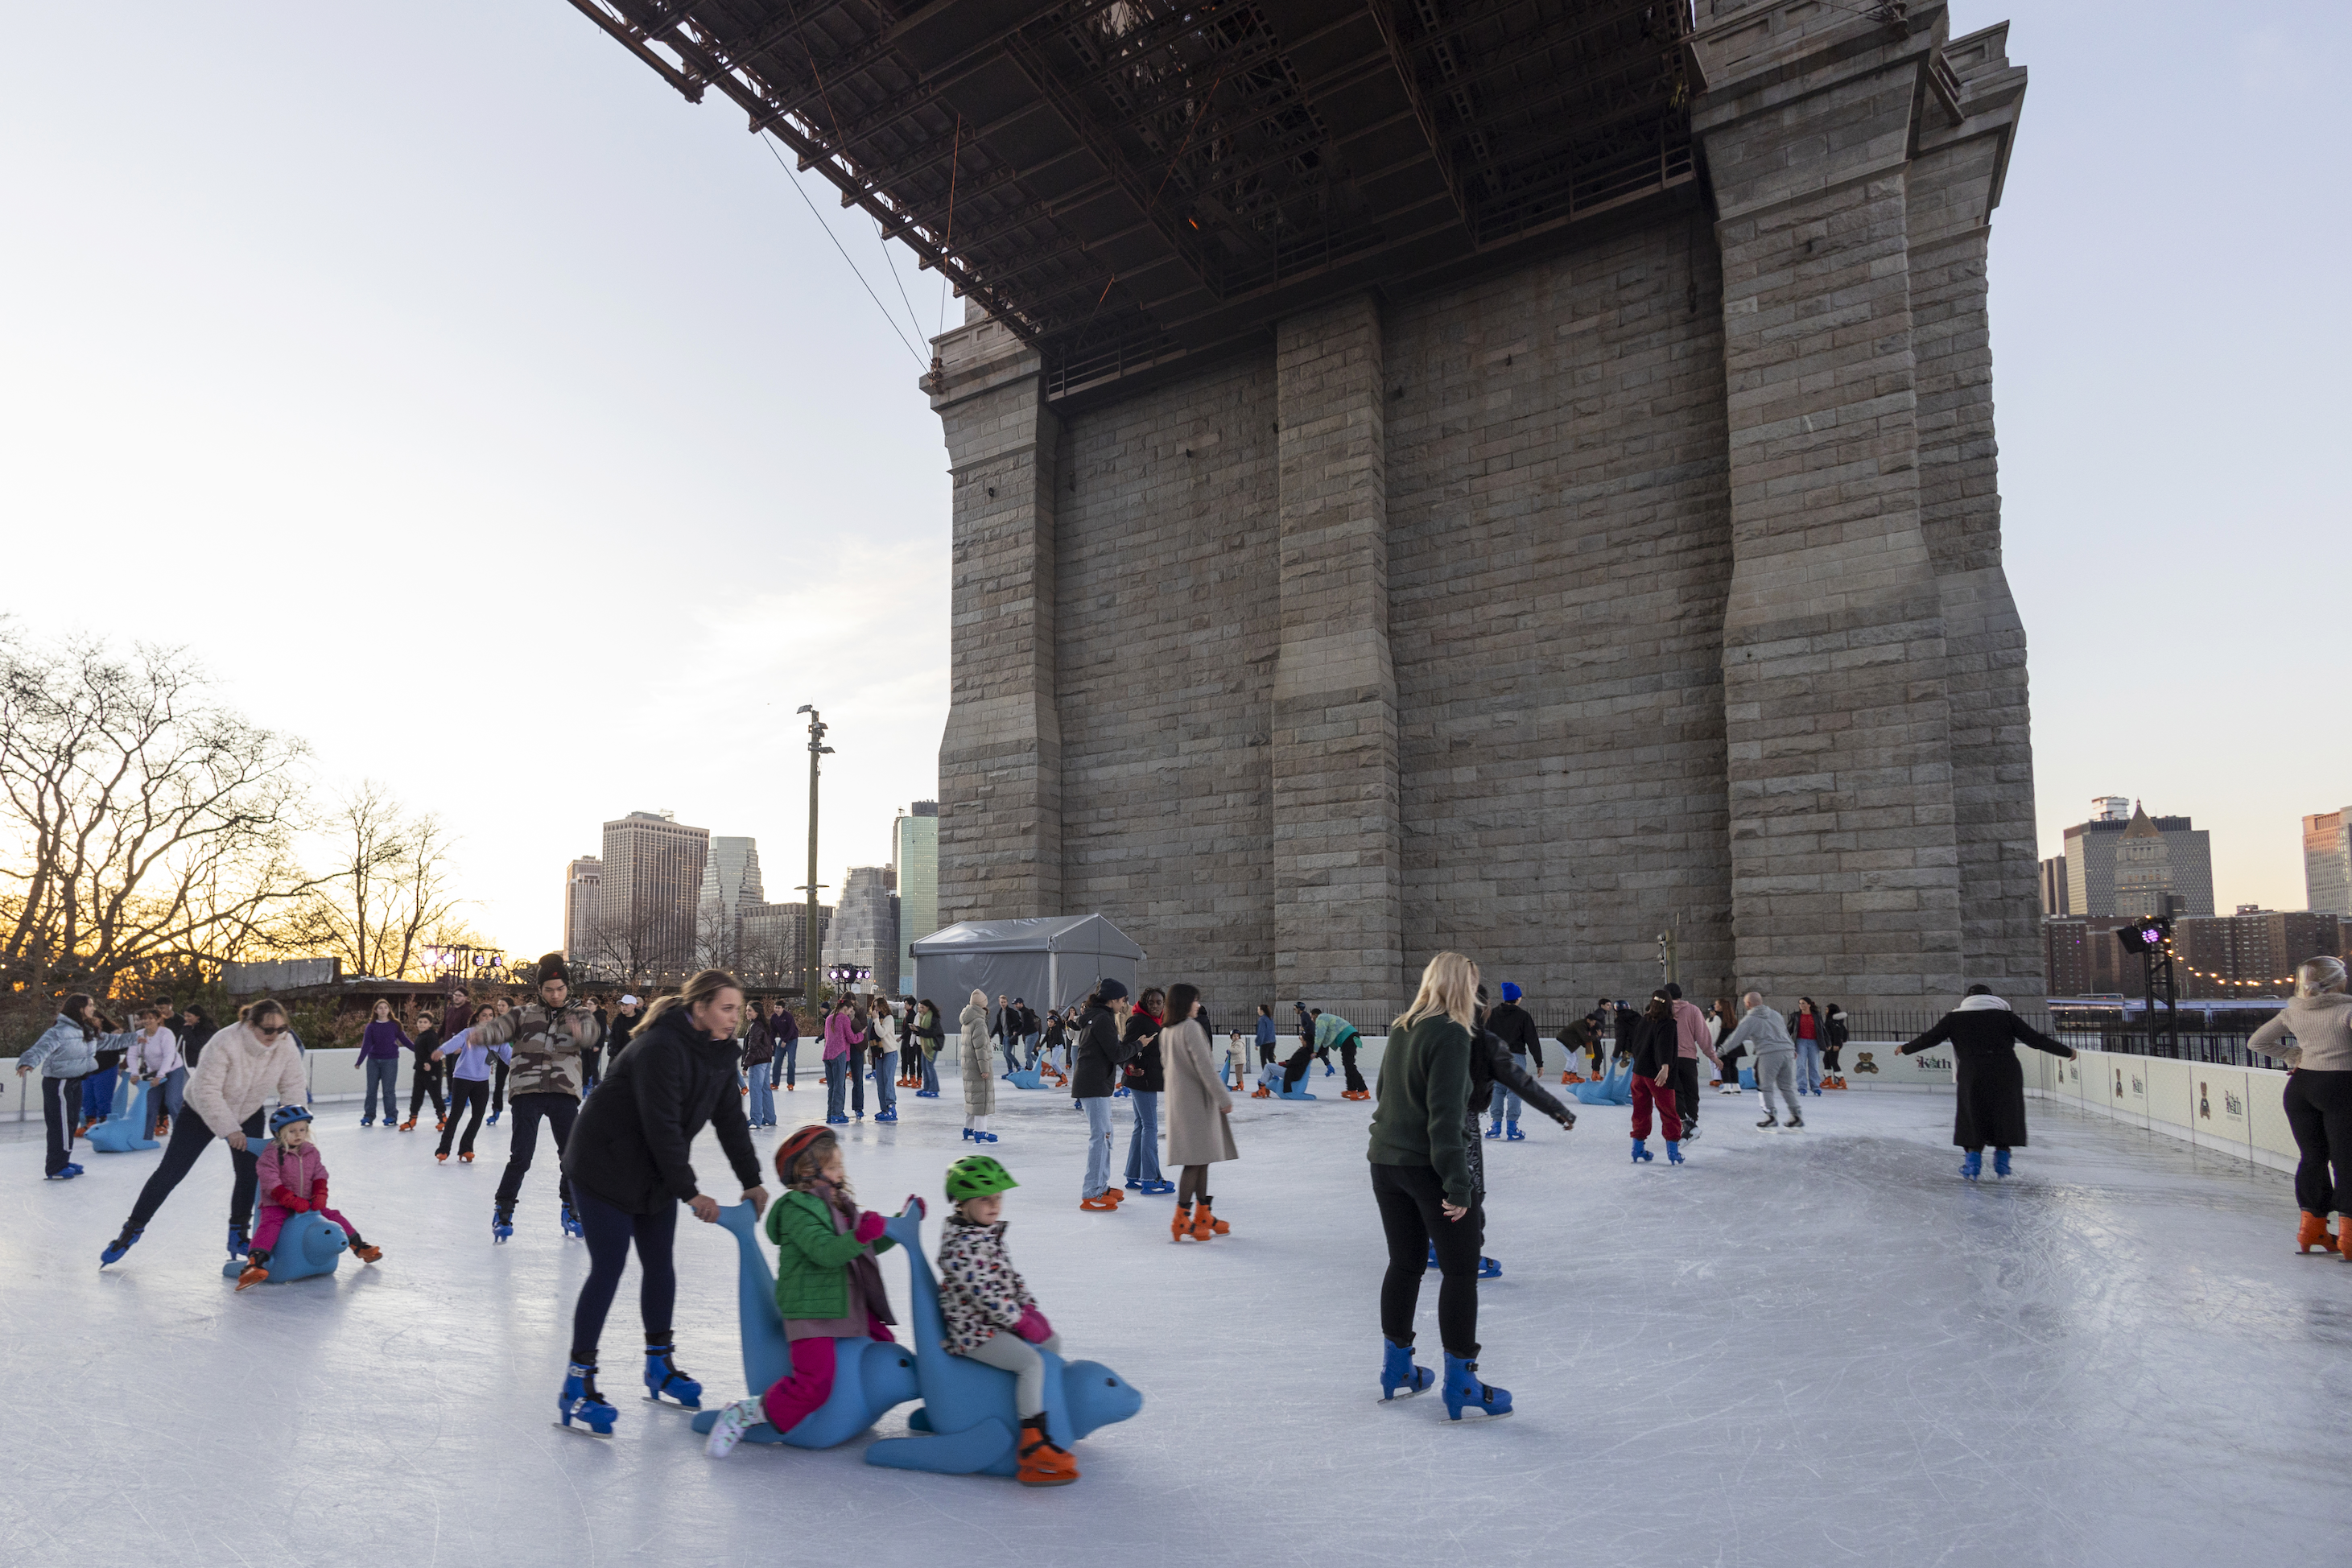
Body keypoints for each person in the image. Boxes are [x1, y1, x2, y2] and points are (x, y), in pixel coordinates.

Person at [558, 967, 770, 1437]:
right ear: (699, 1008)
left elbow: (730, 1120)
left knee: (660, 1265)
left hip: (650, 1171)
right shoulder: (660, 1048)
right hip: (602, 1164)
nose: (735, 1017)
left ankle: (660, 1366)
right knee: (608, 1268)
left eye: (738, 1008)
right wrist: (691, 1192)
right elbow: (662, 1127)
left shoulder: (719, 1052)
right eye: (727, 1008)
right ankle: (577, 1384)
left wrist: (751, 1179)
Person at [703, 1124, 918, 1458]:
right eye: (833, 1167)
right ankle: (745, 1413)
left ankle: (858, 1409)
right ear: (808, 1173)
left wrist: (897, 1224)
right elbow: (826, 1252)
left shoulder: (839, 1202)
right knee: (813, 1384)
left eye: (839, 1164)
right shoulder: (795, 1210)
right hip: (811, 1312)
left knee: (883, 1343)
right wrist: (861, 1235)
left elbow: (863, 1248)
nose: (841, 1172)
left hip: (843, 1303)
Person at [1367, 951, 1510, 1420]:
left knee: (1405, 1264)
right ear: (1462, 986)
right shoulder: (1451, 1033)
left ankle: (1397, 1369)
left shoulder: (1401, 1026)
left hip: (1386, 1163)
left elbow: (1384, 1092)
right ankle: (1463, 1383)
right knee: (1461, 1269)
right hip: (1428, 1168)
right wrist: (1459, 1185)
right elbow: (1447, 1120)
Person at [100, 997, 307, 1268]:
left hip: (249, 1111)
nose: (275, 1035)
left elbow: (293, 1084)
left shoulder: (284, 1043)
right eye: (268, 1029)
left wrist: (295, 1123)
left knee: (250, 1175)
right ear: (249, 1024)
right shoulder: (225, 1042)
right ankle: (132, 1230)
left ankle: (238, 1235)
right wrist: (230, 1130)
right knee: (171, 1172)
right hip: (200, 1111)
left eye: (281, 1029)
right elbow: (205, 1090)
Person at [928, 1154, 1082, 1484]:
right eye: (985, 1199)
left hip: (996, 1322)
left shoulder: (986, 1233)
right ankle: (1032, 1444)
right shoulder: (960, 1248)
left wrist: (1029, 1308)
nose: (995, 1205)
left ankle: (1049, 1416)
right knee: (1031, 1364)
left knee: (1052, 1343)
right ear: (962, 1203)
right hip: (974, 1333)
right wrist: (1019, 1321)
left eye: (998, 1198)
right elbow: (986, 1294)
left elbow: (1010, 1278)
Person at [468, 954, 600, 1243]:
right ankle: (503, 1209)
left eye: (561, 988)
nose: (555, 994)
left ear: (568, 988)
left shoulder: (579, 1015)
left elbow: (592, 1035)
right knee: (521, 1156)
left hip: (563, 1093)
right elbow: (500, 1028)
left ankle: (571, 1207)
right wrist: (483, 1034)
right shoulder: (524, 1014)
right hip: (527, 1091)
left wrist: (584, 1033)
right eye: (549, 989)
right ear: (540, 989)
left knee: (571, 1156)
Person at [1897, 984, 2075, 1180]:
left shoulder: (1954, 1018)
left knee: (1973, 1112)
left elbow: (1930, 1039)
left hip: (1972, 1071)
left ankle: (1972, 1163)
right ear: (1992, 998)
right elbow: (2035, 1039)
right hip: (2006, 1071)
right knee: (2005, 1113)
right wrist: (2066, 1051)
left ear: (1967, 998)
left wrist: (1906, 1049)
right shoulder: (2006, 1016)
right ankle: (2002, 1163)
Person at [2250, 956, 2352, 1256]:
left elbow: (2257, 1043)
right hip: (2341, 1088)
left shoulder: (2293, 1012)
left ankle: (2312, 1229)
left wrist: (2295, 1056)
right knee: (2347, 1161)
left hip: (2301, 1089)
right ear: (2337, 980)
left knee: (2312, 1157)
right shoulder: (2346, 1010)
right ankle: (2349, 1237)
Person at [237, 1104, 384, 1289]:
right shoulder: (272, 1154)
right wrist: (289, 1200)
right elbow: (270, 1181)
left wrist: (320, 1193)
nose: (298, 1134)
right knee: (270, 1224)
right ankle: (254, 1264)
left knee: (333, 1216)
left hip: (308, 1202)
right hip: (277, 1203)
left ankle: (359, 1247)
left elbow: (319, 1173)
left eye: (302, 1129)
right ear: (279, 1132)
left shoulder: (310, 1151)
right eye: (292, 1131)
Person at [19, 996, 133, 1179]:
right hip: (59, 1083)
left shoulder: (84, 1030)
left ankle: (63, 1160)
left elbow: (109, 1041)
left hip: (74, 1080)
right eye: (90, 1005)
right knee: (61, 1125)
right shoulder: (61, 1030)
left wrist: (137, 1038)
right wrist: (27, 1062)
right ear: (80, 1008)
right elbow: (41, 1048)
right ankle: (55, 1167)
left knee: (71, 1123)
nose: (93, 1008)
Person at [1075, 981, 1137, 1211]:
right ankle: (1091, 1193)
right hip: (1094, 1084)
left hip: (1097, 1083)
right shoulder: (1102, 1019)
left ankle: (1101, 1186)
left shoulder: (1099, 1017)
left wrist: (1128, 1066)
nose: (1125, 1004)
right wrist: (1139, 1044)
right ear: (1112, 1000)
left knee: (1106, 1136)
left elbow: (1110, 1052)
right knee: (1100, 1138)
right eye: (1123, 1000)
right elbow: (1116, 1052)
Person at [433, 1005, 505, 1163]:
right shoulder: (468, 1033)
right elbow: (454, 1041)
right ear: (478, 1017)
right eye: (484, 1015)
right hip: (462, 1078)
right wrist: (442, 1050)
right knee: (456, 1115)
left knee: (478, 1116)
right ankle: (443, 1149)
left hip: (482, 1082)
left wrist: (520, 1064)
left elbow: (508, 1054)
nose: (487, 1018)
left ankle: (466, 1148)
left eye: (490, 1015)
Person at [1719, 992, 1802, 1130]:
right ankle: (1796, 1115)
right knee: (1786, 1087)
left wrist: (1720, 1052)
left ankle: (1770, 1116)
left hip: (1769, 1053)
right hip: (1787, 1052)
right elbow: (1785, 1033)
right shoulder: (1775, 1014)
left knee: (1766, 1086)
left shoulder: (1750, 1019)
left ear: (1748, 1004)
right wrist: (1791, 1049)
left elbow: (1735, 1038)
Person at [1121, 988, 1170, 1195]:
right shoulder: (1140, 1020)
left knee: (1141, 1125)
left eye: (1159, 1002)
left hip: (1145, 1079)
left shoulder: (1156, 1021)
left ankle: (1133, 1175)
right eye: (1152, 1002)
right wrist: (1130, 1067)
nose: (1156, 1006)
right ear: (1145, 1003)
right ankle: (1151, 1178)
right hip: (1142, 1079)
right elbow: (1126, 1047)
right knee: (1150, 1126)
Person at [1627, 991, 1685, 1163]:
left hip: (1639, 1074)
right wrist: (1665, 1067)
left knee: (1640, 1110)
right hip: (1657, 1076)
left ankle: (1637, 1148)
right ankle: (1673, 1151)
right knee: (1668, 1112)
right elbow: (1664, 1046)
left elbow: (1636, 1044)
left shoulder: (1643, 1020)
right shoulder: (1668, 1024)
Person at [1481, 984, 1540, 1132]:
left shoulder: (1492, 1014)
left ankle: (1495, 1124)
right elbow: (1532, 1039)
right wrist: (1539, 1062)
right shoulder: (1523, 1016)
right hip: (1516, 1057)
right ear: (1518, 998)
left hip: (1495, 1056)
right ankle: (1512, 1126)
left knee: (1496, 1089)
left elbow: (1484, 1037)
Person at [1665, 983, 1719, 1139]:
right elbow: (1703, 1036)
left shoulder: (1662, 1011)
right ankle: (1692, 1122)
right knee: (1691, 1092)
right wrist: (1712, 1055)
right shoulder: (1693, 1010)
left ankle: (1686, 1123)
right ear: (1680, 994)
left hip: (1668, 1058)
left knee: (1675, 1091)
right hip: (1688, 1058)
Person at [128, 1003, 185, 1141]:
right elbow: (132, 1055)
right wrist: (134, 1073)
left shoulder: (166, 1034)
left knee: (172, 1102)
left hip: (173, 1069)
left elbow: (169, 1056)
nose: (147, 1021)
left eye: (151, 1018)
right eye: (144, 1019)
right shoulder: (139, 1034)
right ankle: (146, 1137)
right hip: (153, 1072)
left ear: (159, 1019)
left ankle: (182, 1136)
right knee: (150, 1105)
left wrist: (161, 1076)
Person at [353, 998, 410, 1128]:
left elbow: (405, 1041)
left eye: (385, 1007)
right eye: (380, 1008)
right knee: (371, 1090)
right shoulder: (371, 1026)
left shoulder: (395, 1025)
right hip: (373, 1061)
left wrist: (419, 1051)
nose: (383, 1010)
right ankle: (368, 1116)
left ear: (389, 1010)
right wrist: (359, 1061)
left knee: (389, 1090)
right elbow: (366, 1045)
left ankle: (391, 1116)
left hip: (390, 1060)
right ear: (375, 1010)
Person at [959, 989, 997, 1142]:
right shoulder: (979, 1022)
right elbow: (980, 1048)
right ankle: (981, 1131)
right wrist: (985, 1070)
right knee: (981, 1099)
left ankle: (968, 1128)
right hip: (977, 1066)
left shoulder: (967, 1019)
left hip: (968, 1066)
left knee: (972, 1098)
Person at [1317, 1007, 1372, 1100]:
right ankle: (1352, 1088)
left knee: (1350, 1064)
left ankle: (1363, 1090)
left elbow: (1322, 1040)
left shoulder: (1322, 1020)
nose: (1312, 1020)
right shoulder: (1327, 1022)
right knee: (1347, 1063)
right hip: (1349, 1038)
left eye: (1312, 1018)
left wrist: (1316, 1052)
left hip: (1349, 1038)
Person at [402, 1017, 446, 1131]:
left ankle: (443, 1118)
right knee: (416, 1095)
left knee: (435, 1095)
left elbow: (434, 1051)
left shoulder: (431, 1036)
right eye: (420, 1022)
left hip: (432, 1070)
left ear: (430, 1024)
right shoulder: (420, 1036)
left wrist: (429, 1063)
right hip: (420, 1070)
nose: (422, 1024)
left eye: (425, 1022)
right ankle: (413, 1119)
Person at [822, 997, 858, 1126]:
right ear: (845, 1009)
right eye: (850, 1010)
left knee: (832, 1086)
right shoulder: (844, 1019)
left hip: (827, 1054)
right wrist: (861, 1035)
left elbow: (827, 1036)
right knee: (839, 1086)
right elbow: (851, 1038)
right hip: (839, 1054)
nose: (850, 1013)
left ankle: (830, 1113)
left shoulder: (829, 1019)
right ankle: (837, 1114)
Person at [742, 1001, 778, 1128]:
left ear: (756, 1012)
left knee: (756, 1090)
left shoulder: (755, 1027)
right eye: (747, 1010)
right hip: (766, 1060)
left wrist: (746, 1065)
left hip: (757, 1062)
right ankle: (770, 1117)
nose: (747, 1013)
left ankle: (756, 1119)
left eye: (749, 1010)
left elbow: (753, 1047)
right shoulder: (762, 1025)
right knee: (765, 1089)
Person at [868, 995, 901, 1123]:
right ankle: (884, 1108)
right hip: (879, 1054)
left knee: (888, 1081)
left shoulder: (889, 1019)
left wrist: (876, 1020)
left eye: (878, 1006)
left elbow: (881, 1033)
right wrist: (870, 1054)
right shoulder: (874, 1020)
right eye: (874, 1006)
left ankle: (891, 1108)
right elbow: (872, 1038)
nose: (876, 1008)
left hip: (889, 1053)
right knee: (880, 1082)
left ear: (883, 1006)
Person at [1788, 997, 1824, 1097]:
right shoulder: (1795, 1016)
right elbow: (1789, 1030)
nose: (1801, 1005)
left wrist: (1827, 1043)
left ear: (1809, 1005)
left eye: (1803, 1003)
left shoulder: (1816, 1016)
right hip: (1800, 1042)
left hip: (1814, 1042)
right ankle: (1802, 1087)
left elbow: (1822, 1029)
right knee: (1801, 1065)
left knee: (1814, 1065)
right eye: (1800, 1003)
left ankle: (1816, 1087)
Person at [1710, 998, 1744, 1096]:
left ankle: (1726, 1086)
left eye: (1716, 1004)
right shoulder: (1732, 1019)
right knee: (1733, 1066)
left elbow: (1715, 1033)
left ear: (1721, 1007)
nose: (1715, 1005)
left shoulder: (1717, 1018)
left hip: (1723, 1045)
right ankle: (1736, 1086)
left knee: (1724, 1066)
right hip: (1735, 1045)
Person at [912, 999, 944, 1097]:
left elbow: (932, 1032)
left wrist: (919, 1030)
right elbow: (924, 1032)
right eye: (919, 1007)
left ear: (928, 1007)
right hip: (925, 1046)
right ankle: (926, 1088)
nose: (920, 1009)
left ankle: (934, 1089)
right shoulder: (922, 1017)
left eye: (922, 1007)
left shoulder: (933, 1018)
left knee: (929, 1067)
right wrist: (916, 1030)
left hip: (932, 1045)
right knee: (924, 1067)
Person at [179, 1005, 218, 1072]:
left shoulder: (206, 1029)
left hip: (200, 1064)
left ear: (198, 1016)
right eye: (185, 1016)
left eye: (189, 1016)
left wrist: (187, 1031)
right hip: (187, 1064)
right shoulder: (190, 1027)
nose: (186, 1019)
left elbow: (197, 1045)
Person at [1822, 1003, 1850, 1088]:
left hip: (1834, 1044)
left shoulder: (1835, 1021)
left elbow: (1838, 1033)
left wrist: (1837, 1044)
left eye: (1827, 1009)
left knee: (1833, 1061)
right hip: (1830, 1044)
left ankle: (1841, 1080)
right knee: (1826, 1060)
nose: (1825, 1011)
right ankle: (1828, 1078)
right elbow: (1845, 1031)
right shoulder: (1831, 1020)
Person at [1254, 1004, 1278, 1070]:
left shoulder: (1262, 1019)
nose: (1258, 1011)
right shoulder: (1270, 1018)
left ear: (1262, 1011)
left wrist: (1257, 1043)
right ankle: (1276, 1072)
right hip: (1272, 1041)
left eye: (1258, 1010)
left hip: (1265, 1042)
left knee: (1263, 1059)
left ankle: (1265, 1075)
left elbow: (1261, 1032)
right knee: (1271, 1058)